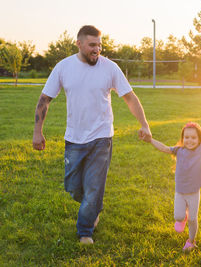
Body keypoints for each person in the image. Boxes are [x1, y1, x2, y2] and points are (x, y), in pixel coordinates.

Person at [32, 25, 152, 244]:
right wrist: (37, 132)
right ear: (79, 44)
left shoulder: (110, 68)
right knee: (74, 187)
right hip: (74, 138)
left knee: (94, 186)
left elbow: (130, 97)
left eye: (99, 45)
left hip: (101, 137)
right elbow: (45, 99)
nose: (97, 49)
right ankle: (94, 204)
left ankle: (85, 230)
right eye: (92, 45)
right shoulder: (63, 67)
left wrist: (144, 124)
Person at [149, 116, 201, 252]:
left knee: (193, 219)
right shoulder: (178, 150)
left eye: (193, 138)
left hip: (193, 193)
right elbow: (163, 148)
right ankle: (183, 217)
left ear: (199, 139)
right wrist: (149, 139)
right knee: (178, 217)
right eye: (186, 137)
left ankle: (191, 241)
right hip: (180, 192)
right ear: (182, 138)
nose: (190, 140)